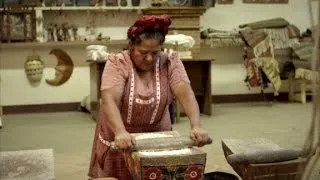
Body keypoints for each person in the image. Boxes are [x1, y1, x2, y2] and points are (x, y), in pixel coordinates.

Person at [88, 15, 210, 180]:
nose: (150, 58)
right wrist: (120, 132)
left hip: (157, 134)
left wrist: (196, 125)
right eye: (143, 52)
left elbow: (186, 93)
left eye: (155, 52)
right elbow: (109, 100)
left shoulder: (170, 63)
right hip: (121, 136)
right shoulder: (118, 63)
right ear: (131, 46)